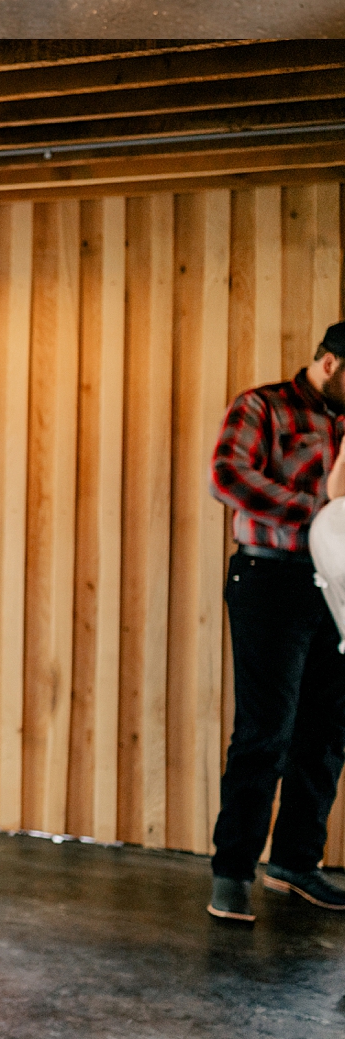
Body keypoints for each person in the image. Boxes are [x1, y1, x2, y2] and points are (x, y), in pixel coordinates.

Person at [208, 320, 345, 922]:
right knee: (266, 730)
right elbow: (228, 477)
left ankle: (295, 863)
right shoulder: (261, 405)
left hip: (336, 584)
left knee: (328, 730)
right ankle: (232, 872)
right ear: (333, 364)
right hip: (271, 579)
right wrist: (321, 515)